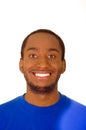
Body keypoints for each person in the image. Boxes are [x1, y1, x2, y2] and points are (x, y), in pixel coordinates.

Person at [0, 29, 86, 130]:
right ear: (21, 64)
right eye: (33, 55)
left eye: (52, 56)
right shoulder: (2, 116)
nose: (43, 64)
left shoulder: (83, 117)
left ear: (63, 65)